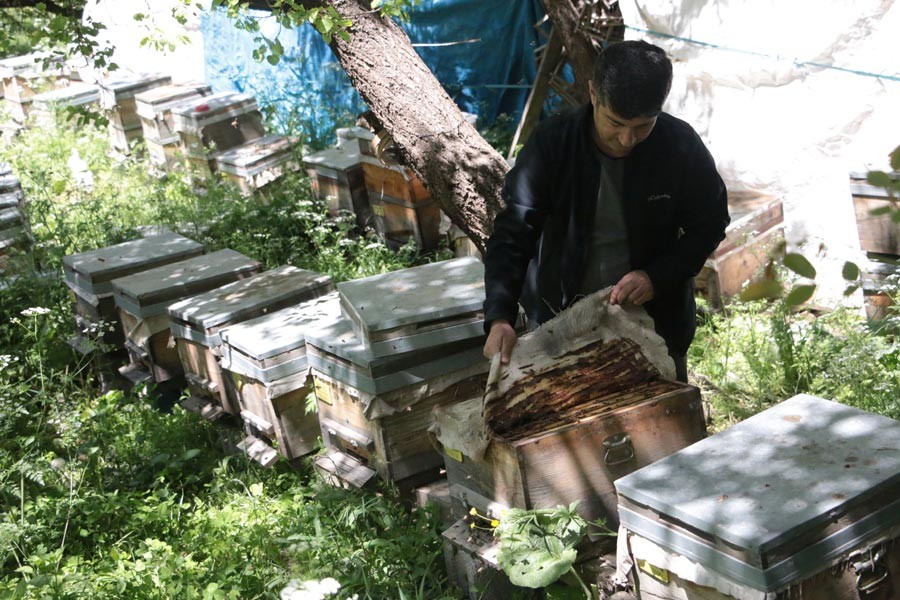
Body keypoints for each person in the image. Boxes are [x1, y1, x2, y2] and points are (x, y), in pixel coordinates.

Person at [482, 40, 730, 382]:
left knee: (662, 424)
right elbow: (513, 232)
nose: (627, 139)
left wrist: (657, 276)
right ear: (593, 94)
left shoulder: (679, 146)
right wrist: (499, 316)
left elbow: (710, 224)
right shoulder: (554, 143)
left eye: (643, 126)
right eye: (615, 123)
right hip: (562, 325)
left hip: (655, 325)